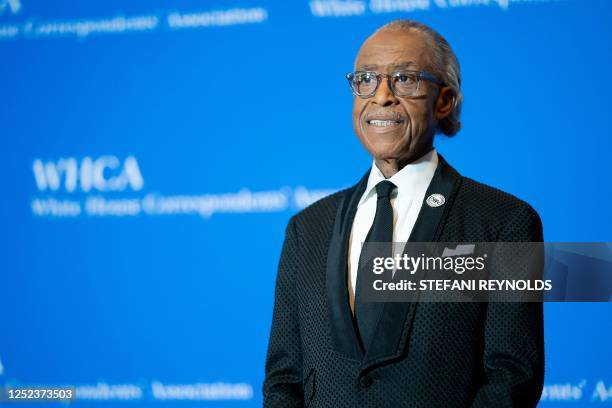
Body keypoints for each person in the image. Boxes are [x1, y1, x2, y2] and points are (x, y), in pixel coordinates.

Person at [263, 19, 544, 408]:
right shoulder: (307, 229)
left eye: (405, 79)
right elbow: (284, 380)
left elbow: (512, 378)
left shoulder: (504, 222)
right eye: (366, 79)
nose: (381, 97)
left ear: (444, 101)